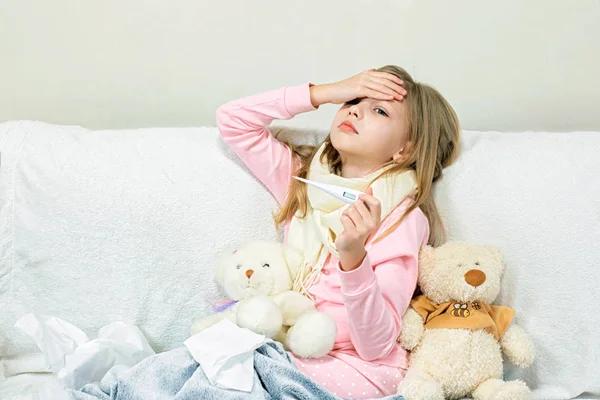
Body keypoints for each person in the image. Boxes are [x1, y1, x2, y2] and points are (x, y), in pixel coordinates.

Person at [216, 65, 460, 399]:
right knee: (213, 361)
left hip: (359, 367)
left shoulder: (400, 216)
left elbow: (376, 345)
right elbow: (232, 120)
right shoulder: (299, 182)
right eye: (353, 100)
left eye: (379, 110)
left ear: (404, 150)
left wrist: (353, 257)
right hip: (293, 348)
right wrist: (326, 92)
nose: (355, 110)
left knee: (231, 371)